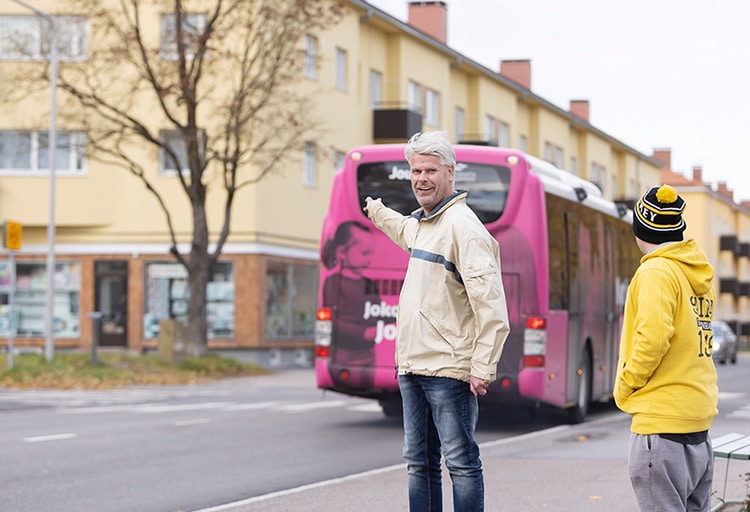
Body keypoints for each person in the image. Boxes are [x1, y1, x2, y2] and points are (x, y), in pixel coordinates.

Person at [363, 131, 510, 511]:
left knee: (460, 463)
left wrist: (482, 365)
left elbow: (492, 305)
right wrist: (377, 210)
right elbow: (404, 230)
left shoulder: (464, 227)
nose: (421, 178)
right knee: (419, 464)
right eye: (415, 170)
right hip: (412, 365)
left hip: (448, 369)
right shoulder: (428, 224)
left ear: (450, 172)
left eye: (430, 170)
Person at [613, 184, 718, 512]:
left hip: (662, 429)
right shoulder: (695, 275)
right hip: (697, 428)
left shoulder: (656, 271)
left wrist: (626, 385)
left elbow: (654, 339)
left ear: (641, 231)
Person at [321, 220, 379, 388]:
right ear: (342, 252)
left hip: (369, 353)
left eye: (371, 254)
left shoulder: (370, 284)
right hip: (345, 354)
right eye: (363, 253)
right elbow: (333, 320)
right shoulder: (334, 282)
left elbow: (379, 312)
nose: (368, 260)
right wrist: (363, 332)